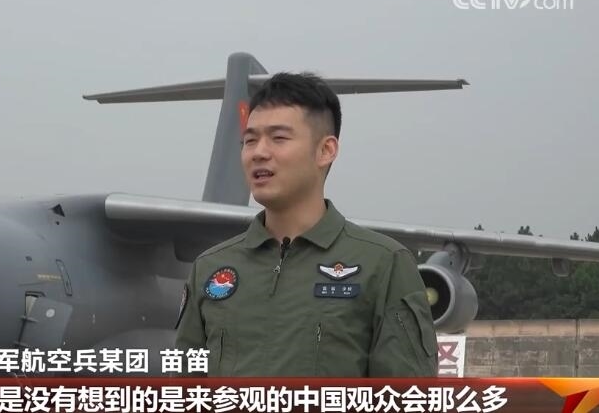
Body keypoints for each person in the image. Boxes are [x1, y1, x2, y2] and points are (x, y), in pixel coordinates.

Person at [174, 72, 438, 376]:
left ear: (326, 150)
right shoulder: (211, 268)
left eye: (279, 138)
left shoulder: (382, 265)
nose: (259, 152)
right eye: (250, 140)